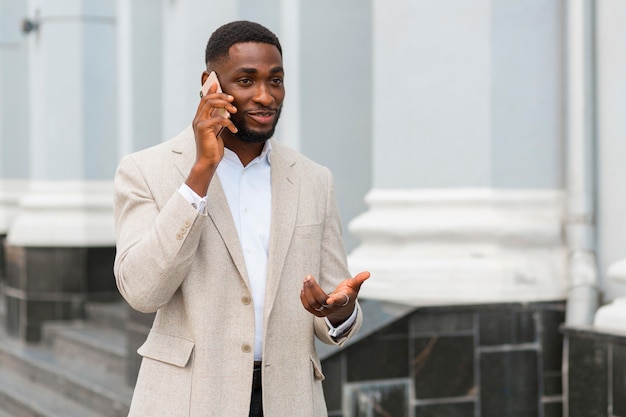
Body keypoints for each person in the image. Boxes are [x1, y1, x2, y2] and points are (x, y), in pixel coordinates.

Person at [113, 20, 370, 417]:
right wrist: (201, 172)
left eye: (276, 80)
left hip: (290, 399)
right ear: (210, 84)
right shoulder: (146, 170)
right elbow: (142, 292)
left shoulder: (314, 179)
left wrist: (338, 311)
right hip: (188, 398)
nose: (265, 96)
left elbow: (333, 300)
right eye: (246, 81)